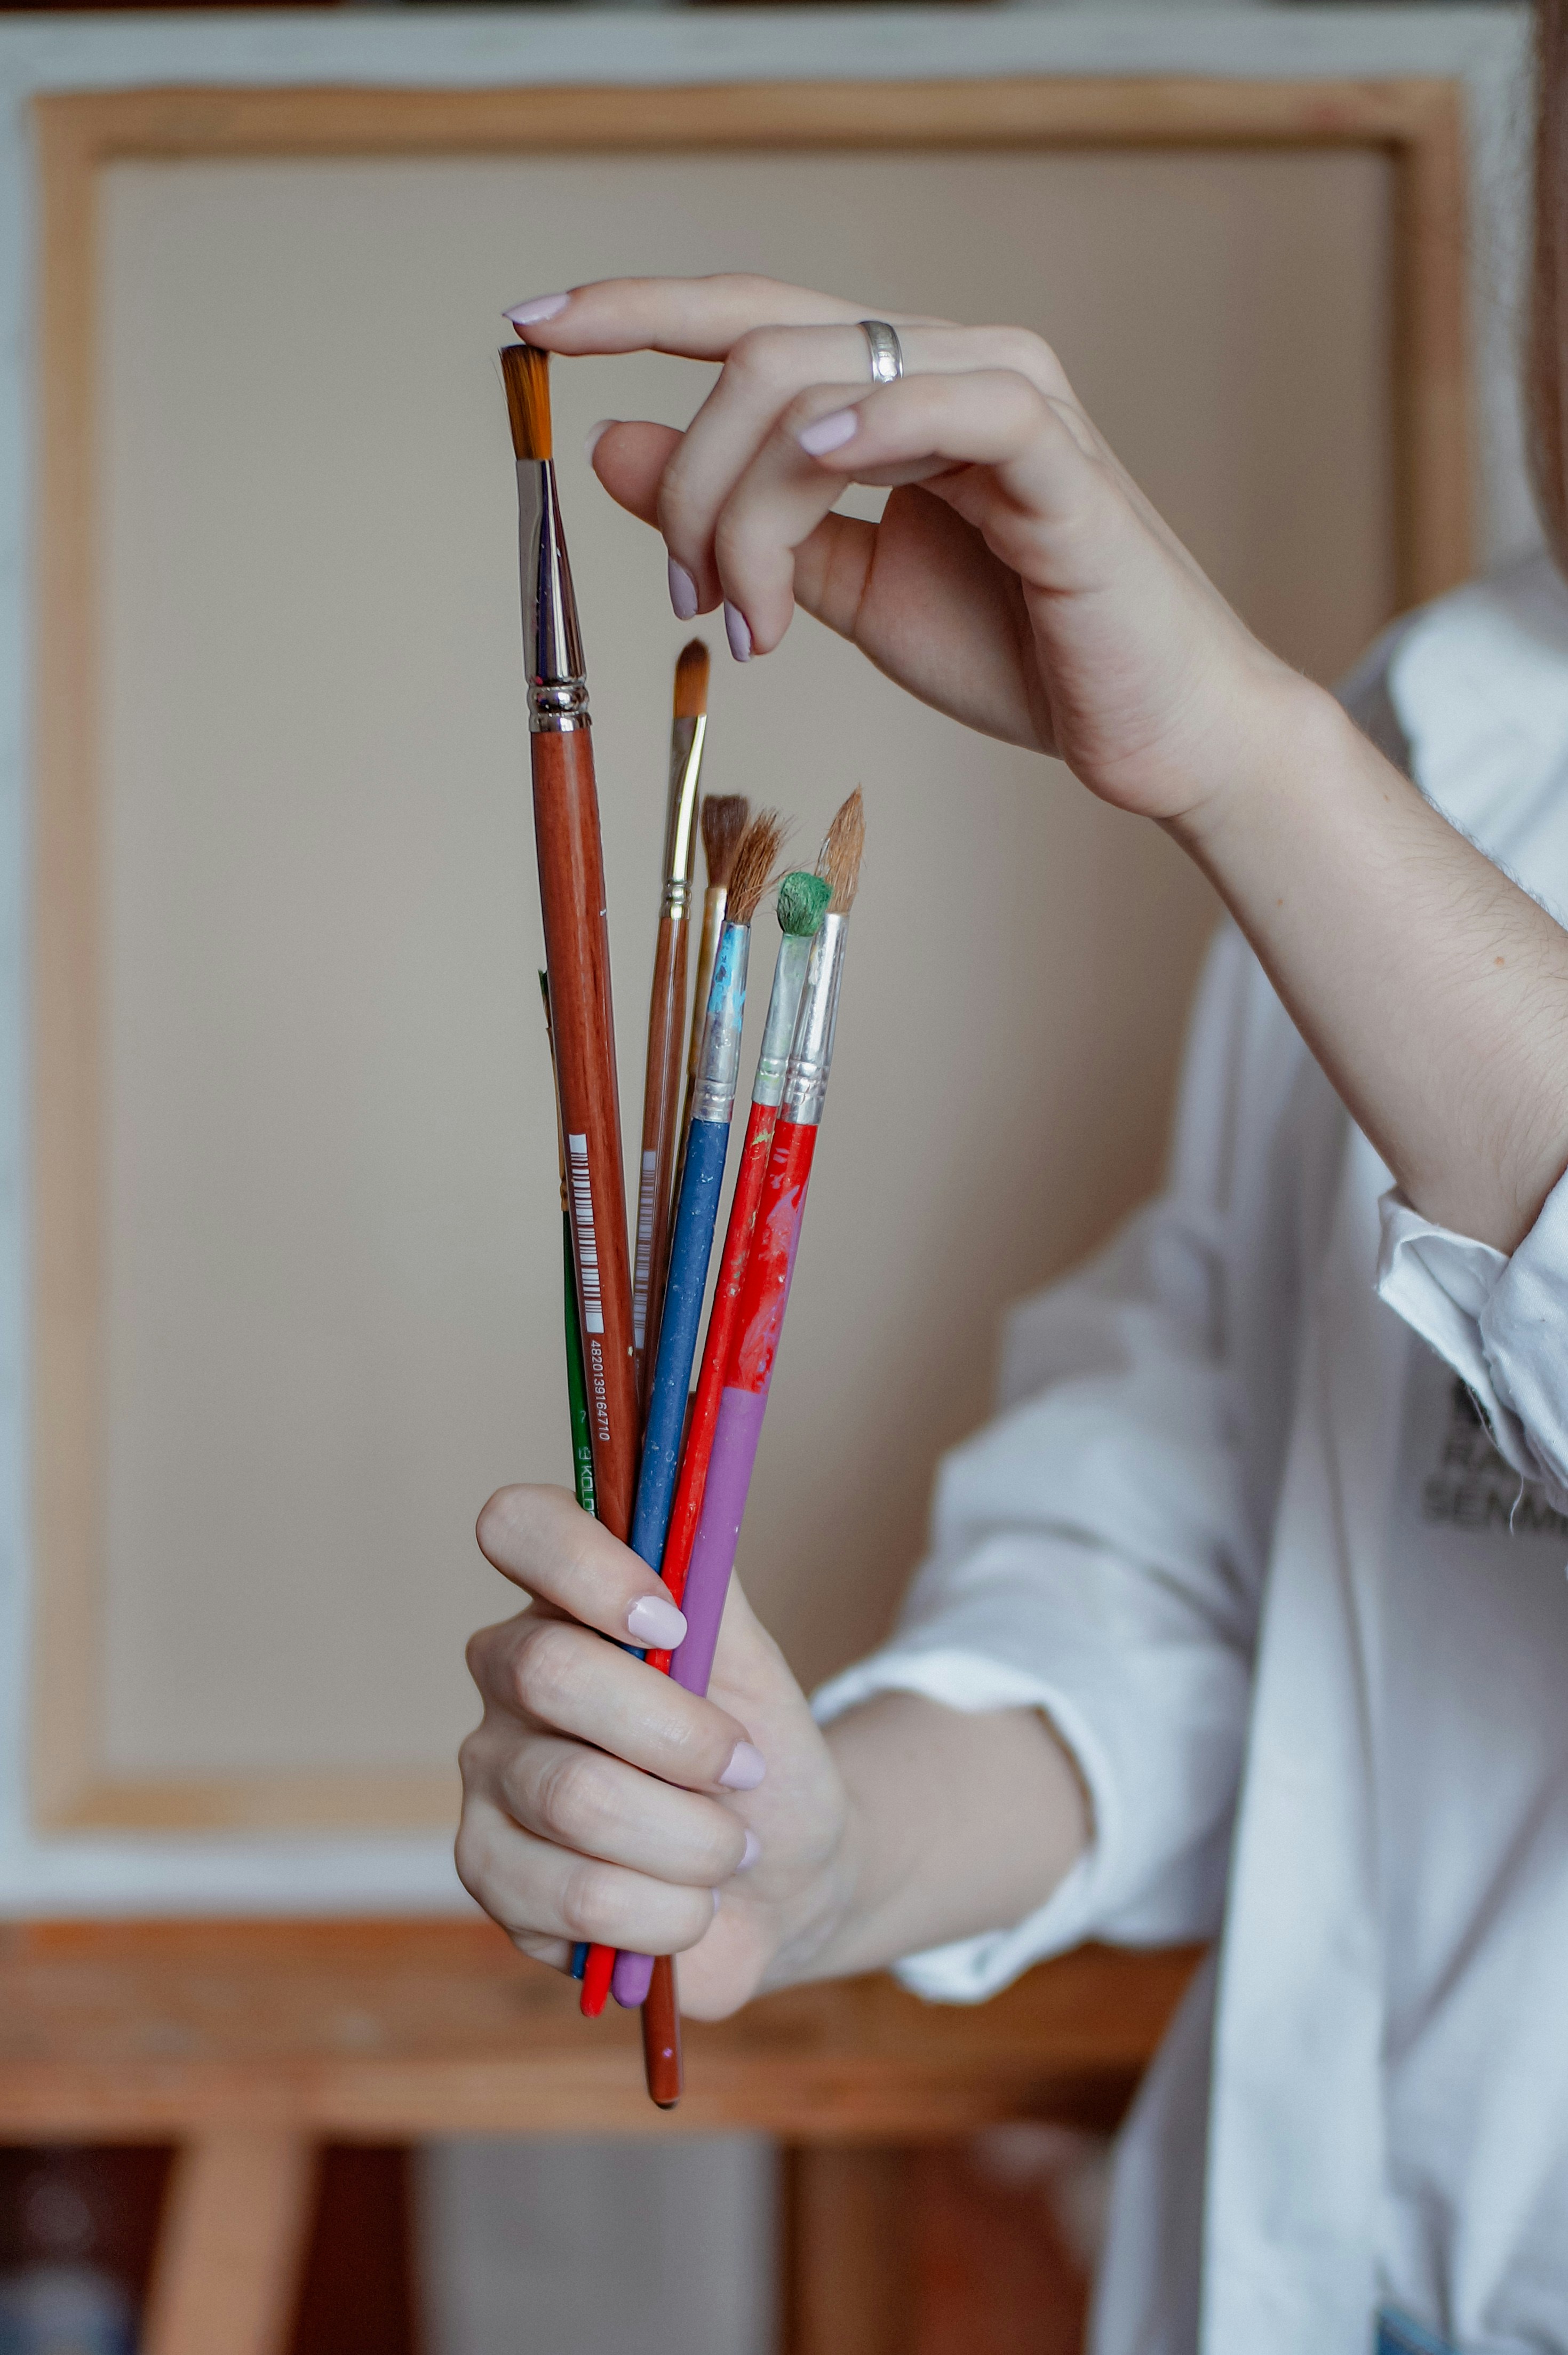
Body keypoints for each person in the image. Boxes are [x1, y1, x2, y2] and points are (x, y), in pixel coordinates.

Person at [456, 22, 1568, 2348]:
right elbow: (1207, 1588)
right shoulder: (1450, 720)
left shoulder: (1314, 774)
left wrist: (1248, 765)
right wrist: (812, 1843)